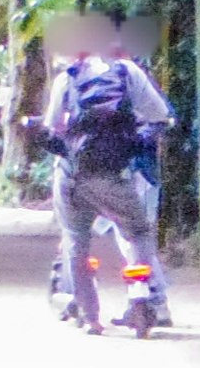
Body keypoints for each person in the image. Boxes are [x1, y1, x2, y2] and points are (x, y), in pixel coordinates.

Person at [44, 35, 174, 334]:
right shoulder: (129, 72)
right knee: (138, 231)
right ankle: (140, 300)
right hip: (114, 176)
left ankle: (91, 318)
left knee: (76, 239)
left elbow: (53, 127)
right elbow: (160, 117)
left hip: (73, 176)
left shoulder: (68, 77)